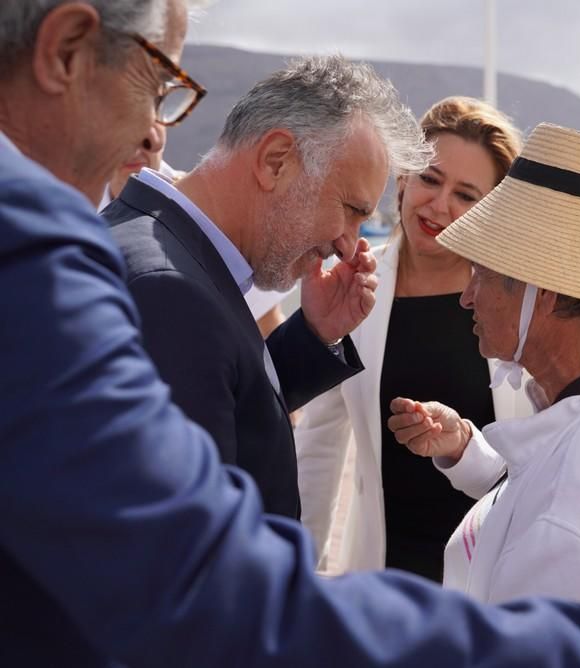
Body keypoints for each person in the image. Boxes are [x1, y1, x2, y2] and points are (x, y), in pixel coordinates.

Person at [0, 1, 580, 665]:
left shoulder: (73, 256)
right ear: (68, 50)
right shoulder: (68, 261)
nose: (159, 132)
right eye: (160, 86)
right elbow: (209, 596)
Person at [101, 55, 421, 518]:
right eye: (351, 209)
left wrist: (313, 334)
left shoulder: (164, 252)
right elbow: (190, 549)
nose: (349, 246)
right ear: (276, 162)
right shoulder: (170, 294)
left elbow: (228, 403)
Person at [388, 124, 580, 610]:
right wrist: (468, 448)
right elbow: (532, 482)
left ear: (543, 292)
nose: (467, 297)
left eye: (483, 275)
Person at [295, 96, 529, 578]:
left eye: (466, 195)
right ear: (402, 177)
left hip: (491, 579)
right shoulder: (353, 282)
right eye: (431, 178)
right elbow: (320, 442)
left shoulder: (519, 303)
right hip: (381, 572)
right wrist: (296, 573)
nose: (440, 205)